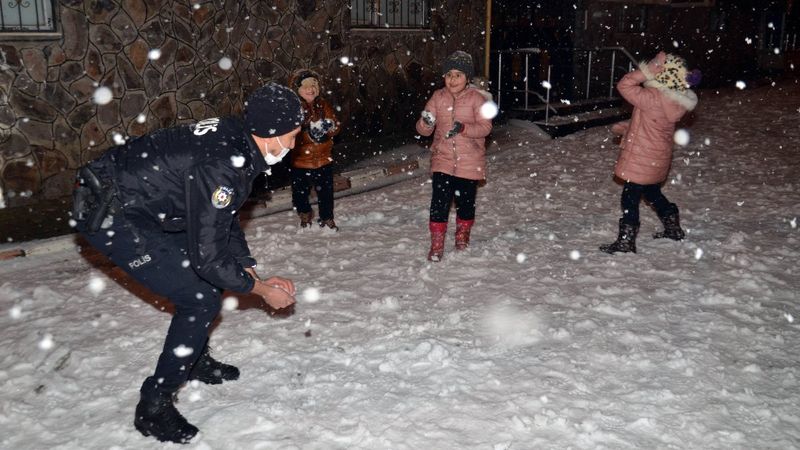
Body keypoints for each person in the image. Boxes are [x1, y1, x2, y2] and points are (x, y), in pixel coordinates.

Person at [72, 83, 303, 443]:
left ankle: (192, 357)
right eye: (291, 136)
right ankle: (153, 407)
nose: (292, 145)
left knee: (208, 278)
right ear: (270, 132)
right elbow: (209, 256)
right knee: (199, 296)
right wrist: (259, 291)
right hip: (111, 211)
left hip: (144, 200)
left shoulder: (240, 142)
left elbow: (221, 219)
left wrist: (248, 268)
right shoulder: (225, 163)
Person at [600, 52, 700, 254]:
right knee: (652, 192)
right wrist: (629, 128)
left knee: (629, 198)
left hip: (642, 157)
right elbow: (653, 124)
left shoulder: (653, 97)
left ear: (661, 73)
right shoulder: (673, 101)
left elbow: (624, 85)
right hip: (657, 158)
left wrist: (646, 70)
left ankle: (626, 241)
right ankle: (672, 225)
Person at [415, 51, 493, 261]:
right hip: (443, 160)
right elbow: (423, 130)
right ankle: (437, 244)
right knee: (439, 203)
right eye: (449, 75)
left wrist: (464, 129)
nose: (453, 79)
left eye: (458, 75)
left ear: (468, 78)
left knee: (465, 203)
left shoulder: (477, 99)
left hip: (470, 161)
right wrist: (426, 122)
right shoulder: (438, 97)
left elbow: (486, 127)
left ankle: (462, 236)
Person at [287, 69, 342, 230]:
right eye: (306, 86)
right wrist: (307, 132)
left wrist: (329, 127)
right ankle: (304, 214)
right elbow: (290, 133)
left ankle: (327, 218)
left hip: (323, 158)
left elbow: (336, 125)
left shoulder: (323, 105)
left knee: (325, 193)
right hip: (300, 161)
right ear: (297, 90)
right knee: (300, 194)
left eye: (314, 85)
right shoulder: (293, 108)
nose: (311, 89)